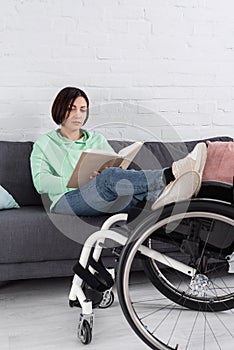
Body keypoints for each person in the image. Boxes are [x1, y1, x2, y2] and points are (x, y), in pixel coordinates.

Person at [30, 86, 207, 217]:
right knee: (108, 178)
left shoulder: (96, 139)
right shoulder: (44, 143)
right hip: (66, 200)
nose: (78, 115)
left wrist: (118, 170)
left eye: (83, 110)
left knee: (122, 182)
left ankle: (165, 195)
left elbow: (112, 167)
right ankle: (171, 175)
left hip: (102, 194)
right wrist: (76, 182)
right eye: (72, 109)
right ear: (60, 110)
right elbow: (41, 182)